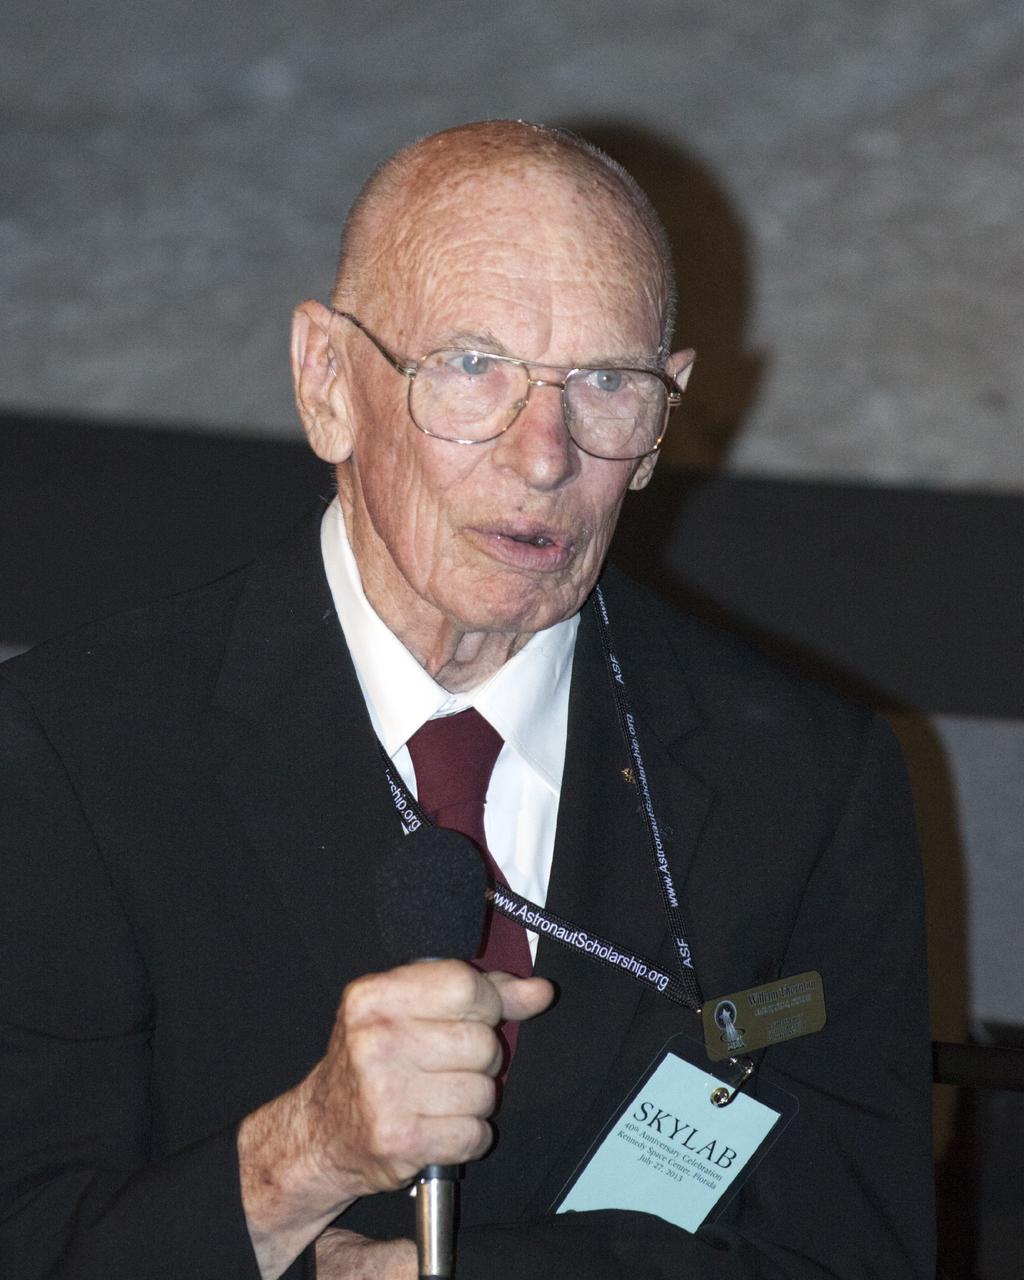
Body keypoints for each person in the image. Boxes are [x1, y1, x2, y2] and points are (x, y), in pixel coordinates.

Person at [0, 120, 935, 1279]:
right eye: (470, 366)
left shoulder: (802, 779)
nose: (543, 452)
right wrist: (300, 1155)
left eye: (603, 382)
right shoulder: (71, 747)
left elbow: (848, 1252)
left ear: (659, 422)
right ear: (327, 382)